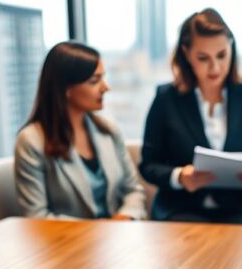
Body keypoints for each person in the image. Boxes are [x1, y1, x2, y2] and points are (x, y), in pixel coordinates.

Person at [139, 8, 242, 224]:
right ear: (186, 53)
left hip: (237, 210)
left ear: (232, 49)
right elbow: (148, 165)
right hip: (178, 208)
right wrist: (180, 177)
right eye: (203, 58)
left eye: (222, 55)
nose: (215, 67)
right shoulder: (166, 98)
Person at [15, 41, 147, 220]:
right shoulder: (31, 141)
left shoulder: (109, 131)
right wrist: (97, 230)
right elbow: (36, 216)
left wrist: (125, 217)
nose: (105, 87)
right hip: (68, 243)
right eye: (94, 81)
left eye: (103, 78)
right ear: (66, 88)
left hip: (117, 237)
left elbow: (133, 190)